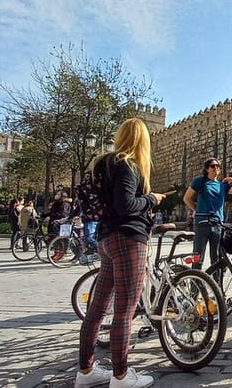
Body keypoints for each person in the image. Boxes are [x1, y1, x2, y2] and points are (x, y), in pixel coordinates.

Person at [75, 118, 166, 388]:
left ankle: (86, 371)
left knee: (97, 309)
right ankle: (121, 376)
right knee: (123, 313)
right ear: (142, 141)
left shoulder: (104, 164)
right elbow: (126, 204)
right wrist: (152, 198)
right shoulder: (128, 165)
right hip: (128, 240)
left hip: (107, 240)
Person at [183, 158, 232, 277]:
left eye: (218, 166)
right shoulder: (200, 181)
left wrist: (231, 179)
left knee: (216, 258)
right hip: (202, 223)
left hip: (217, 225)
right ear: (207, 169)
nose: (216, 168)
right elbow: (187, 198)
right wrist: (196, 209)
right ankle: (194, 291)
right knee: (198, 257)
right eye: (213, 166)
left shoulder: (222, 186)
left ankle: (217, 289)